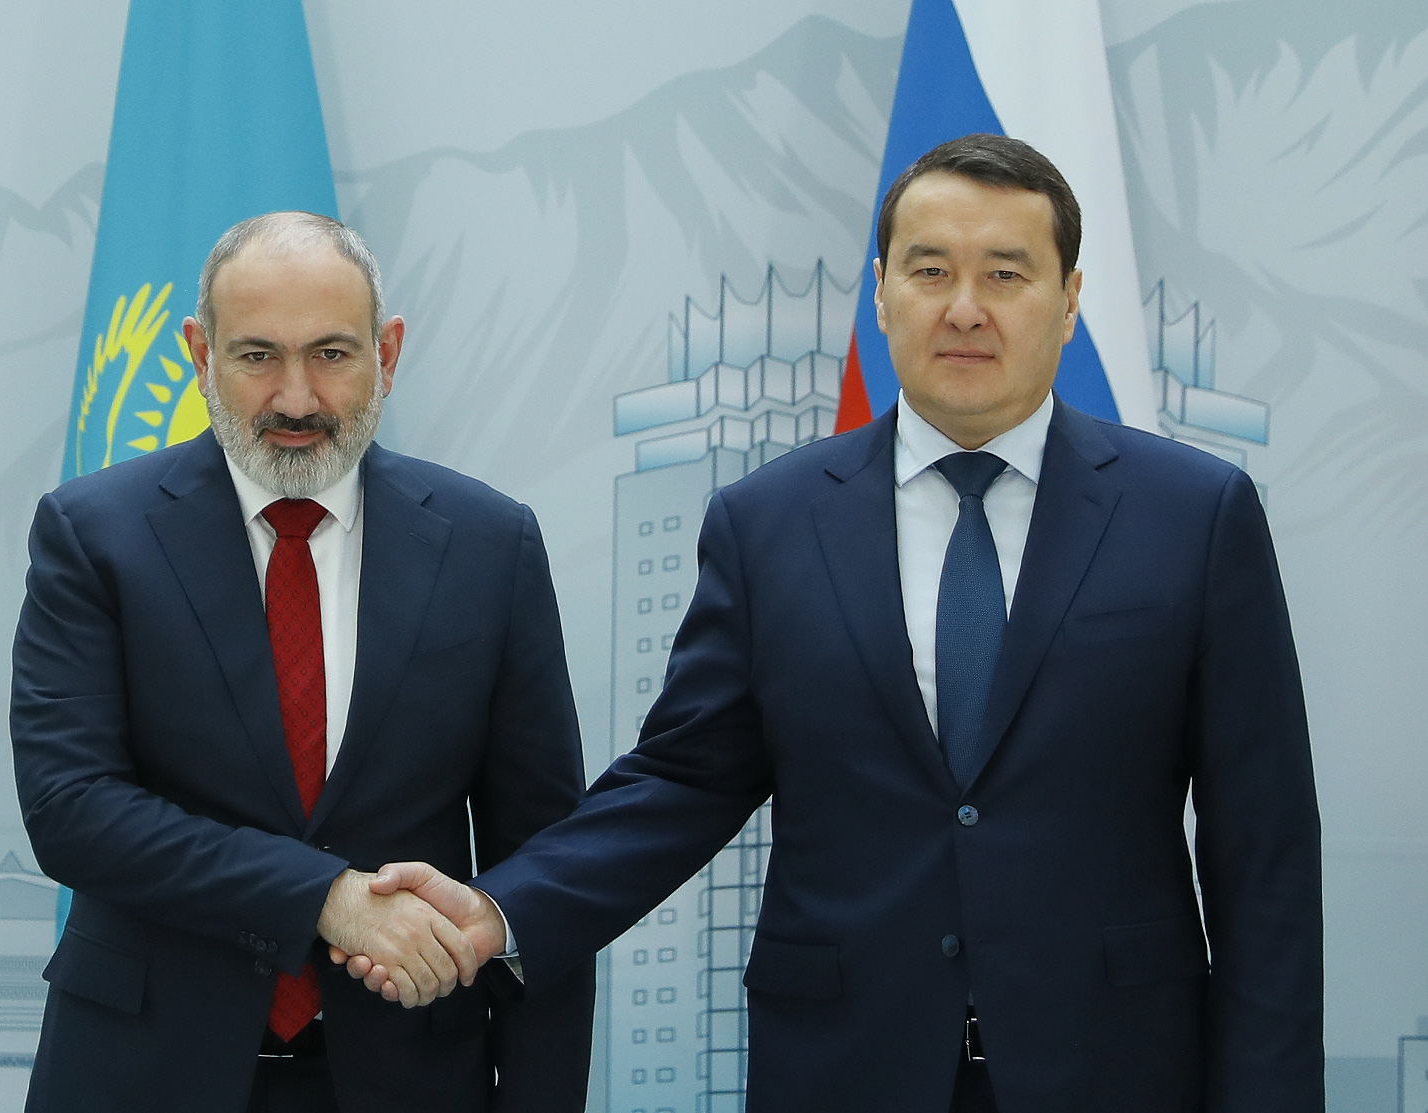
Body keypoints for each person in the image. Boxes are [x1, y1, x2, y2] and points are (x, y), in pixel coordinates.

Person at [348, 135, 1324, 1111]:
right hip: (845, 1068)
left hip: (1115, 1071)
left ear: (1069, 300)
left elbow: (1263, 849)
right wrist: (500, 908)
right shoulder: (769, 524)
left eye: (1005, 274)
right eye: (929, 271)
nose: (964, 308)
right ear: (881, 293)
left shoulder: (1192, 517)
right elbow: (685, 780)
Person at [10, 211, 593, 1113]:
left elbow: (544, 865)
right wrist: (325, 897)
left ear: (386, 354)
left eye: (331, 353)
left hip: (411, 1079)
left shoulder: (489, 545)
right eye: (257, 356)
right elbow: (71, 809)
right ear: (199, 354)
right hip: (144, 1072)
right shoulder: (93, 536)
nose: (294, 398)